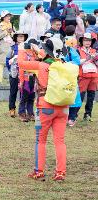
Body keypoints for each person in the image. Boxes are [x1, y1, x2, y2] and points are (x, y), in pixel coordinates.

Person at [18, 37, 69, 181]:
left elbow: (21, 63)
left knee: (41, 140)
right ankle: (60, 172)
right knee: (60, 141)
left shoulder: (41, 66)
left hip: (45, 106)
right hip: (63, 107)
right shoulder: (65, 65)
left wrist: (23, 48)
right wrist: (38, 50)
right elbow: (50, 55)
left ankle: (38, 171)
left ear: (47, 51)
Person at [76, 33, 98, 122]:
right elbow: (76, 62)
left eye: (89, 40)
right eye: (85, 40)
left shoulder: (95, 51)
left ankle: (88, 115)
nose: (87, 42)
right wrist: (87, 58)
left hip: (94, 76)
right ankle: (74, 115)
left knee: (91, 97)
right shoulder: (78, 50)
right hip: (83, 76)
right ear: (82, 41)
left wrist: (95, 60)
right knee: (79, 97)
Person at [6, 31, 27, 119]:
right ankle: (12, 109)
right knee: (13, 91)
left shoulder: (27, 47)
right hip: (14, 73)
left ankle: (22, 110)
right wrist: (10, 71)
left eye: (22, 37)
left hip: (25, 74)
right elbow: (7, 60)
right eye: (19, 37)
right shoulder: (12, 48)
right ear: (16, 38)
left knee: (24, 93)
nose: (21, 38)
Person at [0, 10, 15, 85]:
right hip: (2, 48)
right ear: (3, 17)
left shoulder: (12, 25)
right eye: (7, 16)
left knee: (12, 64)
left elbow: (15, 36)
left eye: (9, 16)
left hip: (11, 47)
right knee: (0, 64)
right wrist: (6, 32)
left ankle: (11, 80)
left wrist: (12, 32)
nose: (9, 17)